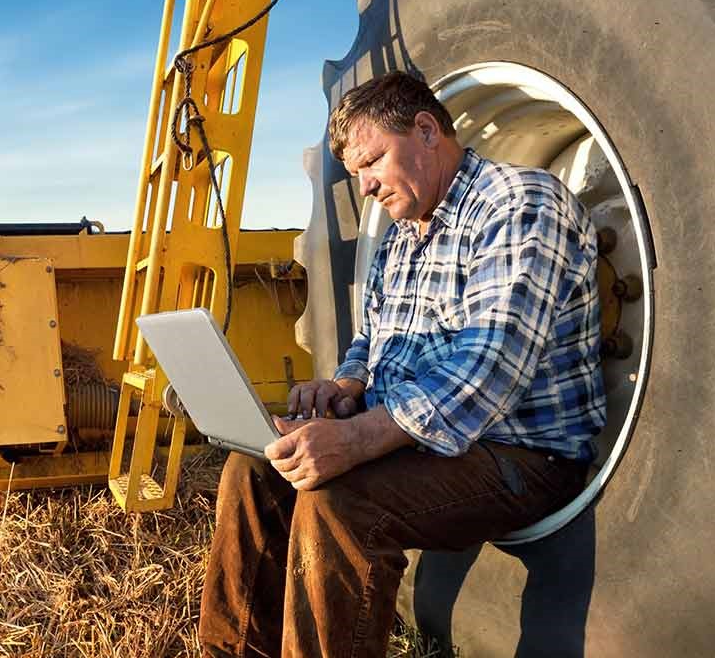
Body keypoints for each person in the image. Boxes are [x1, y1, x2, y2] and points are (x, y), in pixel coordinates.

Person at [197, 71, 607, 658]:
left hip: (520, 454)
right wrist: (346, 386)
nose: (365, 186)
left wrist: (357, 439)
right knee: (252, 471)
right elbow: (373, 337)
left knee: (337, 502)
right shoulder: (401, 237)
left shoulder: (518, 204)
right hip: (426, 444)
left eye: (373, 162)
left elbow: (488, 369)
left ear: (425, 130)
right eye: (356, 172)